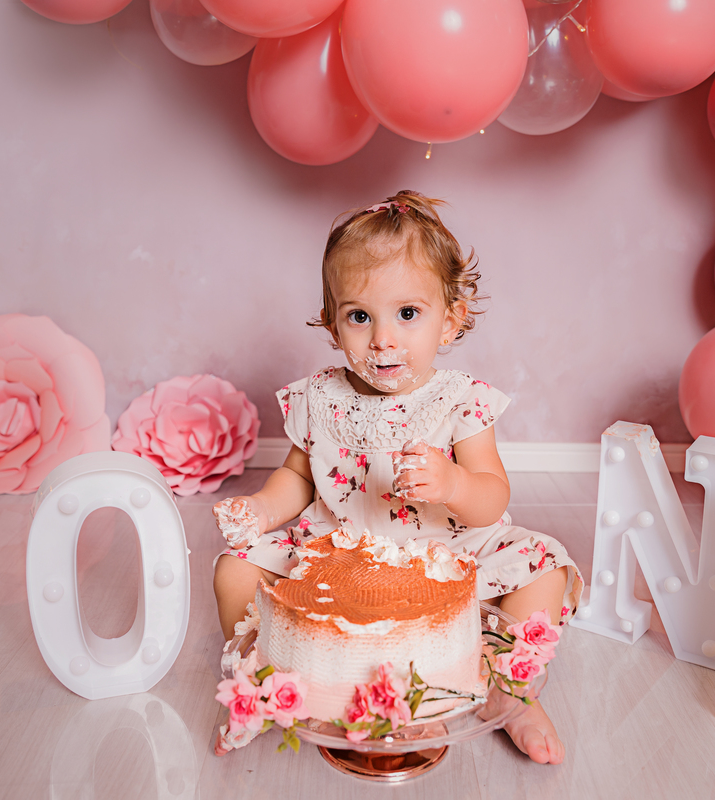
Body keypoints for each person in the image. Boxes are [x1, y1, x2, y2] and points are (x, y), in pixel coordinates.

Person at [212, 190, 582, 764]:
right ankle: (268, 682)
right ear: (333, 324)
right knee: (234, 568)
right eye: (360, 316)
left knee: (544, 569)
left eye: (407, 314)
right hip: (338, 548)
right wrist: (261, 508)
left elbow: (491, 496)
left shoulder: (459, 400)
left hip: (444, 549)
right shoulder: (318, 398)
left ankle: (508, 690)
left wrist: (454, 485)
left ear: (450, 321)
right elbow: (298, 477)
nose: (383, 338)